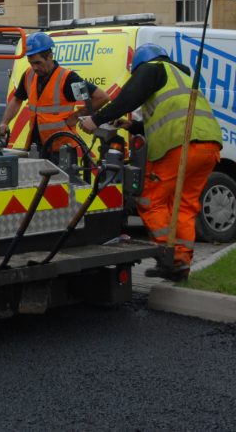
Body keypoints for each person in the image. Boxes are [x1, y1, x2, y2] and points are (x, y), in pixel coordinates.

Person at [79, 43, 221, 281]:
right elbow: (173, 114)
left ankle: (167, 256)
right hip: (208, 145)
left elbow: (128, 98)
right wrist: (133, 126)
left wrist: (96, 119)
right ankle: (182, 263)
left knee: (150, 199)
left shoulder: (152, 68)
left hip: (179, 144)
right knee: (185, 205)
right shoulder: (182, 76)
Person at [0, 32, 108, 156]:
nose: (35, 67)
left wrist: (76, 117)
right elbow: (17, 100)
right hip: (37, 146)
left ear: (49, 56)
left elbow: (101, 97)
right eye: (31, 63)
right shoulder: (29, 75)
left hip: (61, 149)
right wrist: (4, 122)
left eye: (38, 62)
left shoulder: (67, 79)